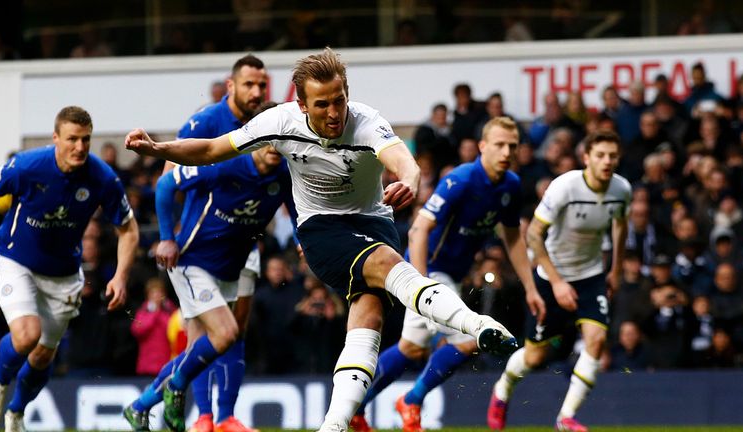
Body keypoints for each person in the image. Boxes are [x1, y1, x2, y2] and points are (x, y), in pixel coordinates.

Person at [124, 47, 518, 432]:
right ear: (301, 104)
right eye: (323, 104)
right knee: (385, 265)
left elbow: (400, 157)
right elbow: (211, 148)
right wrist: (160, 149)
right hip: (322, 229)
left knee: (369, 321)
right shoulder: (277, 122)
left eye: (339, 100)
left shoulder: (365, 121)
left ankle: (334, 423)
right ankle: (476, 323)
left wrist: (411, 179)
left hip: (373, 223)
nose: (334, 113)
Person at [350, 117, 546, 432]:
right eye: (499, 144)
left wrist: (530, 288)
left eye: (512, 145)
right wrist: (422, 286)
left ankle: (357, 408)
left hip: (448, 276)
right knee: (470, 340)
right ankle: (411, 400)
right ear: (483, 146)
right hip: (428, 272)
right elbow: (419, 228)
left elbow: (512, 238)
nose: (506, 151)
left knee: (411, 347)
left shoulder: (510, 185)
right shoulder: (462, 179)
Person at [122, 139, 295, 432]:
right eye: (269, 141)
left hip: (231, 267)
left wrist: (304, 245)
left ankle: (141, 407)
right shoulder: (223, 161)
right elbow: (166, 184)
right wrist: (166, 237)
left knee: (202, 348)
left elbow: (298, 212)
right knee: (226, 333)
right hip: (193, 262)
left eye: (282, 142)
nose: (275, 148)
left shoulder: (285, 174)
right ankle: (181, 392)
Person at [0, 106, 139, 431]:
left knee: (43, 356)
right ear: (56, 138)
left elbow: (128, 228)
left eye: (86, 139)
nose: (80, 147)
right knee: (27, 335)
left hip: (64, 274)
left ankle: (16, 412)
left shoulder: (102, 178)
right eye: (72, 139)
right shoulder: (27, 167)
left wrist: (121, 275)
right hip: (15, 259)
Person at [487, 130, 630, 432]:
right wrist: (557, 283)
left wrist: (615, 269)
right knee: (535, 355)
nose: (607, 161)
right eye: (601, 155)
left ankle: (565, 418)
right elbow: (535, 236)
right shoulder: (564, 186)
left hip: (590, 276)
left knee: (597, 339)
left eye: (612, 156)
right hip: (550, 275)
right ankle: (502, 390)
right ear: (586, 157)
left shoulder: (621, 189)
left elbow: (620, 226)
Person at [161, 53, 270, 432]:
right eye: (249, 85)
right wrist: (171, 236)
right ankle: (203, 416)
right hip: (204, 244)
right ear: (232, 86)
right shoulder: (208, 120)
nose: (256, 92)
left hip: (245, 244)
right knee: (210, 334)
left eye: (262, 85)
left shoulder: (265, 123)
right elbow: (169, 173)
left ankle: (225, 417)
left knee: (233, 330)